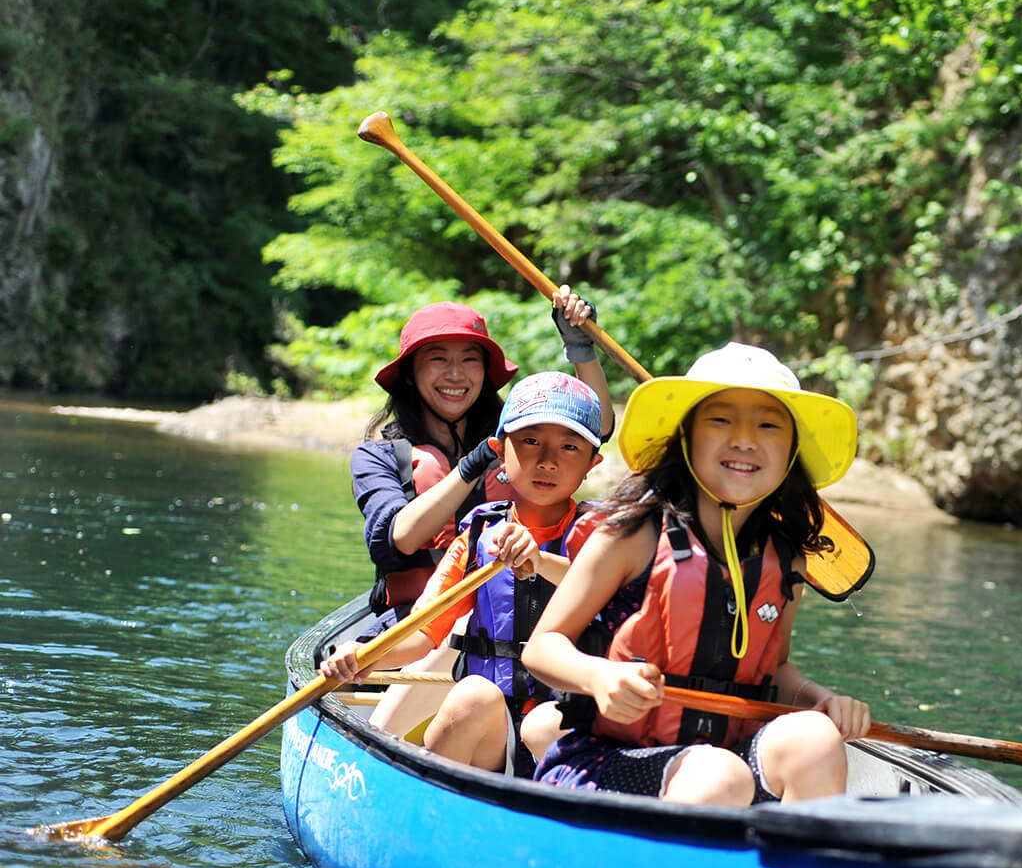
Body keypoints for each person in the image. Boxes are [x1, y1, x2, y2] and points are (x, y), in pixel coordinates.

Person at [521, 342, 872, 806]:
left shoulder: (785, 559)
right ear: (685, 438)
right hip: (607, 759)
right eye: (721, 420)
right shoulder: (633, 533)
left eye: (768, 425)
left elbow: (777, 668)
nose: (745, 440)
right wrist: (598, 677)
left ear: (791, 452)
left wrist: (819, 698)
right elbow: (543, 649)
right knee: (720, 775)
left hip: (724, 759)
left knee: (816, 738)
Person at [323, 371, 607, 776]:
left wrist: (540, 562)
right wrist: (364, 658)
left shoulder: (603, 536)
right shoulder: (478, 536)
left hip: (566, 727)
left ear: (592, 463)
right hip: (497, 734)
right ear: (499, 449)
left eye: (569, 446)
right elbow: (423, 633)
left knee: (547, 725)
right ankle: (437, 812)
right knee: (472, 694)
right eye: (530, 441)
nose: (547, 460)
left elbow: (605, 592)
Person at [350, 290, 613, 632]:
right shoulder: (378, 457)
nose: (456, 375)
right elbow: (402, 537)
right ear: (411, 373)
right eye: (438, 359)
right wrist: (471, 466)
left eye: (469, 360)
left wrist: (581, 349)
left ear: (485, 373)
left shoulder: (515, 444)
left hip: (513, 609)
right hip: (413, 620)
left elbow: (596, 429)